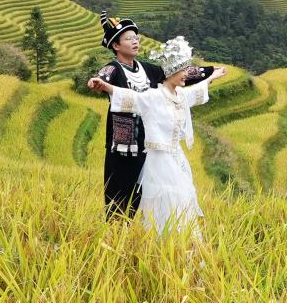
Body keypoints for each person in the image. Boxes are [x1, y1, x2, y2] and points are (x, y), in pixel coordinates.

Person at [88, 36, 226, 235]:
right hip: (125, 145)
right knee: (123, 194)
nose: (135, 41)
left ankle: (170, 243)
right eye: (128, 38)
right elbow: (113, 84)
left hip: (158, 148)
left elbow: (189, 82)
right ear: (116, 45)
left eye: (136, 37)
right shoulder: (117, 71)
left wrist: (211, 73)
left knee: (173, 200)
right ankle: (118, 236)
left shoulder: (154, 74)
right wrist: (102, 84)